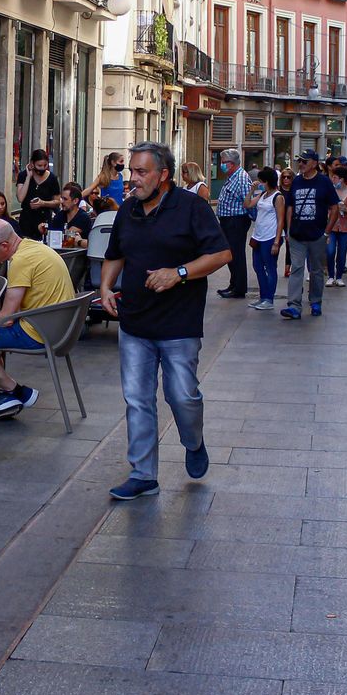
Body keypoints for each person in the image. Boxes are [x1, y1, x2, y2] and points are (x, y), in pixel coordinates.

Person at [99, 141, 231, 500]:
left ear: (164, 176)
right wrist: (106, 286)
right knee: (137, 399)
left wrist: (180, 272)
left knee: (182, 395)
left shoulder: (192, 207)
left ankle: (193, 440)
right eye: (131, 171)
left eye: (141, 172)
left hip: (179, 324)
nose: (133, 179)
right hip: (135, 322)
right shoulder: (128, 210)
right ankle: (143, 474)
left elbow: (221, 253)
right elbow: (115, 254)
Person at [0, 220, 75, 420]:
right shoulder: (35, 247)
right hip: (60, 329)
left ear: (4, 246)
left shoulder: (20, 261)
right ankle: (3, 397)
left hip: (39, 332)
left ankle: (16, 391)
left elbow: (7, 317)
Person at [280, 151, 338, 319]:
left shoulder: (324, 182)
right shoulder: (296, 181)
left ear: (314, 163)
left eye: (305, 161)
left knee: (316, 270)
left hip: (317, 234)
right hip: (297, 235)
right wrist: (289, 230)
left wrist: (327, 232)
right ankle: (294, 305)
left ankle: (315, 301)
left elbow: (334, 208)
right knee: (296, 269)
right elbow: (290, 207)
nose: (301, 164)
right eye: (300, 161)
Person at [212, 149, 253, 299]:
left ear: (232, 163)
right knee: (231, 254)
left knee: (236, 255)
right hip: (228, 220)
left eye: (223, 162)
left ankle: (239, 288)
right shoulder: (231, 177)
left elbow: (248, 201)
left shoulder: (241, 178)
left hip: (236, 221)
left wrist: (251, 218)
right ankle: (233, 283)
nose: (221, 165)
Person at [246, 167, 283, 310]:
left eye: (261, 181)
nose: (259, 183)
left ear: (267, 181)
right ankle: (263, 296)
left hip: (270, 236)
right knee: (257, 266)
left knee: (270, 267)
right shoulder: (263, 194)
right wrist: (251, 190)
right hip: (258, 235)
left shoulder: (278, 197)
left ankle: (269, 298)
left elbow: (280, 220)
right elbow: (247, 204)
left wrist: (276, 241)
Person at [15, 149, 63, 240]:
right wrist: (28, 177)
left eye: (45, 165)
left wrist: (43, 203)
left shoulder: (52, 178)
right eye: (39, 165)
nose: (42, 168)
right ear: (32, 164)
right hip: (27, 220)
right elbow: (20, 198)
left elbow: (57, 201)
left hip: (44, 219)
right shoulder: (23, 176)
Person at [326, 165, 347, 287]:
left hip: (346, 226)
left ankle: (339, 276)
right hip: (332, 225)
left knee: (342, 252)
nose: (332, 180)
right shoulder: (330, 192)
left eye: (335, 177)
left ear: (341, 179)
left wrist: (346, 209)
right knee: (330, 251)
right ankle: (330, 275)